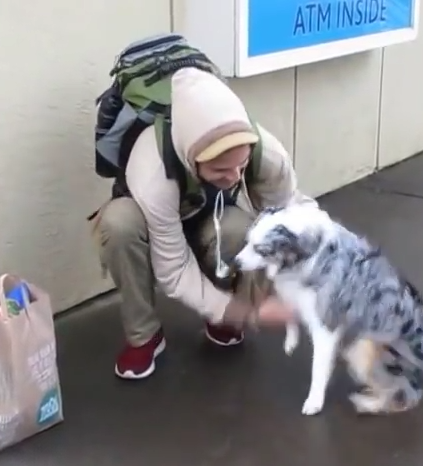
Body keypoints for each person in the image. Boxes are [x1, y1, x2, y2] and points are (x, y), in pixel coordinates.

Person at [94, 68, 314, 379]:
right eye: (221, 169)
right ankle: (144, 335)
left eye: (242, 164)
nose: (236, 176)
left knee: (248, 233)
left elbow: (293, 218)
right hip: (150, 220)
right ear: (191, 156)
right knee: (118, 225)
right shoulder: (151, 171)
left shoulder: (268, 152)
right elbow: (173, 270)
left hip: (211, 215)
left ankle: (224, 319)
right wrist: (244, 312)